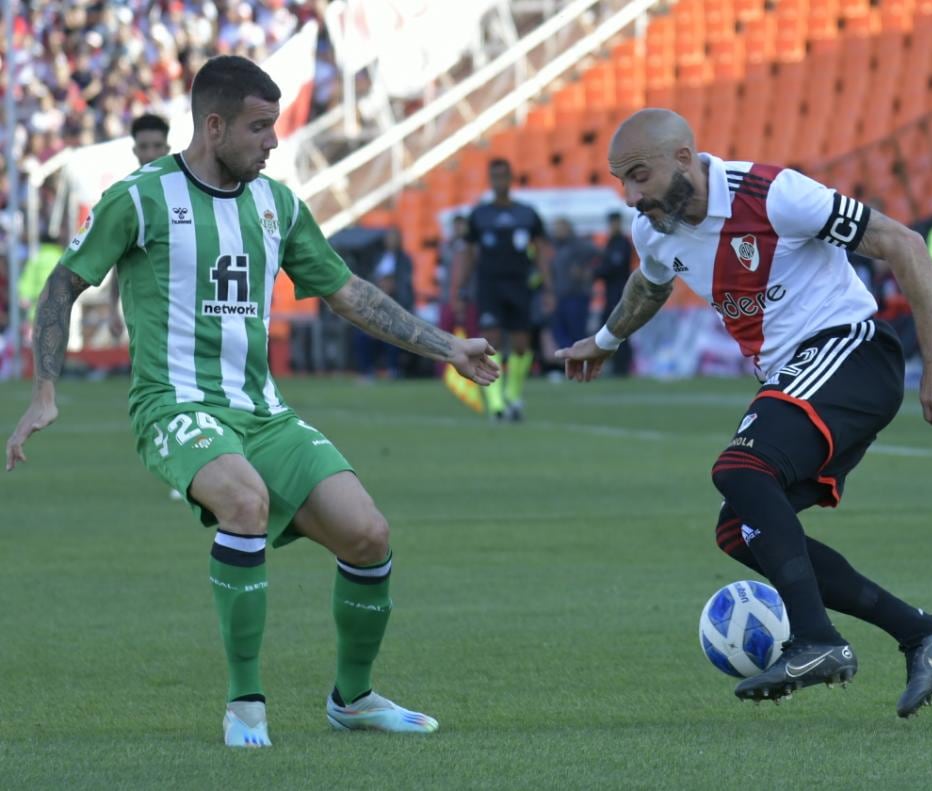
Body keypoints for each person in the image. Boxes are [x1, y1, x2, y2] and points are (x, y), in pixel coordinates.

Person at [4, 56, 499, 748]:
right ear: (214, 125)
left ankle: (352, 698)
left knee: (369, 534)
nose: (273, 141)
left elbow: (346, 292)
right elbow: (62, 286)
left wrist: (447, 346)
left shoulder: (279, 204)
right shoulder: (140, 198)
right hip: (174, 406)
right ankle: (245, 705)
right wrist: (45, 390)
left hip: (263, 411)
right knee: (243, 502)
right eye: (259, 127)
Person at [555, 109, 932, 715]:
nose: (631, 195)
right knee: (739, 528)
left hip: (850, 350)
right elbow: (649, 286)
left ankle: (816, 640)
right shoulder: (656, 231)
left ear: (682, 157)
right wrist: (604, 341)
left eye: (638, 176)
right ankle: (923, 633)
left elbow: (902, 243)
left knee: (741, 471)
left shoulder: (775, 194)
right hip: (799, 375)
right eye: (622, 181)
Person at [449, 158, 554, 421]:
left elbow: (541, 250)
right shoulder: (479, 215)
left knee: (521, 345)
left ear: (511, 178)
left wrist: (548, 286)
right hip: (489, 287)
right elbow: (469, 254)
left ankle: (513, 395)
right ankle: (495, 404)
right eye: (494, 177)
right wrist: (460, 289)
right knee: (490, 342)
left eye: (503, 176)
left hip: (519, 285)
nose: (499, 182)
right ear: (490, 180)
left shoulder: (527, 213)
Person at [109, 113, 173, 339]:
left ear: (167, 148)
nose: (150, 154)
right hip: (145, 313)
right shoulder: (125, 198)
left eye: (156, 146)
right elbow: (116, 258)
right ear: (135, 150)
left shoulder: (184, 191)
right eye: (144, 147)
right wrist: (111, 309)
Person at [353, 228, 415, 380]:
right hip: (375, 307)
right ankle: (367, 371)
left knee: (392, 333)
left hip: (397, 306)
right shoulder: (378, 257)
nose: (391, 241)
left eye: (394, 238)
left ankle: (393, 370)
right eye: (389, 238)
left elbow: (405, 285)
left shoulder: (405, 260)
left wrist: (391, 288)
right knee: (362, 334)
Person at [548, 217, 599, 351]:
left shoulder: (578, 245)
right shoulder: (554, 246)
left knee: (577, 332)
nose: (556, 231)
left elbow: (599, 255)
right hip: (559, 295)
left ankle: (581, 361)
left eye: (559, 227)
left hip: (577, 294)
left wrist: (586, 270)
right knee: (559, 331)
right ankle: (568, 360)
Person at [595, 210, 634, 376]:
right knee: (609, 328)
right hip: (611, 293)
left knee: (620, 329)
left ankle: (621, 367)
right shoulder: (611, 242)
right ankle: (613, 365)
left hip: (620, 292)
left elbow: (614, 266)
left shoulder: (622, 243)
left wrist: (597, 271)